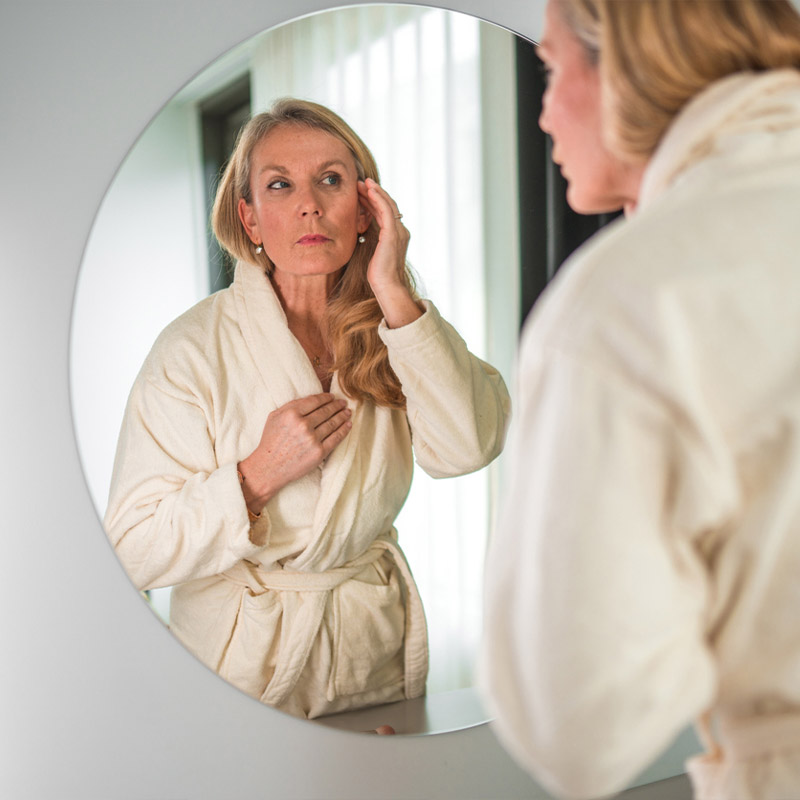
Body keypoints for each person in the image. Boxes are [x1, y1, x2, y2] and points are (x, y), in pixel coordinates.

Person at [479, 1, 800, 798]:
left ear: (623, 64)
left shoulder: (630, 298)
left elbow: (585, 724)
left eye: (552, 68)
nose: (545, 111)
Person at [104, 98, 510, 721]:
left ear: (368, 206)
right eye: (279, 185)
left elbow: (467, 449)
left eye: (330, 180)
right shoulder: (191, 348)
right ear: (251, 217)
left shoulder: (400, 326)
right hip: (237, 666)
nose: (309, 205)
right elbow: (131, 550)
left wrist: (395, 287)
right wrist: (255, 476)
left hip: (367, 653)